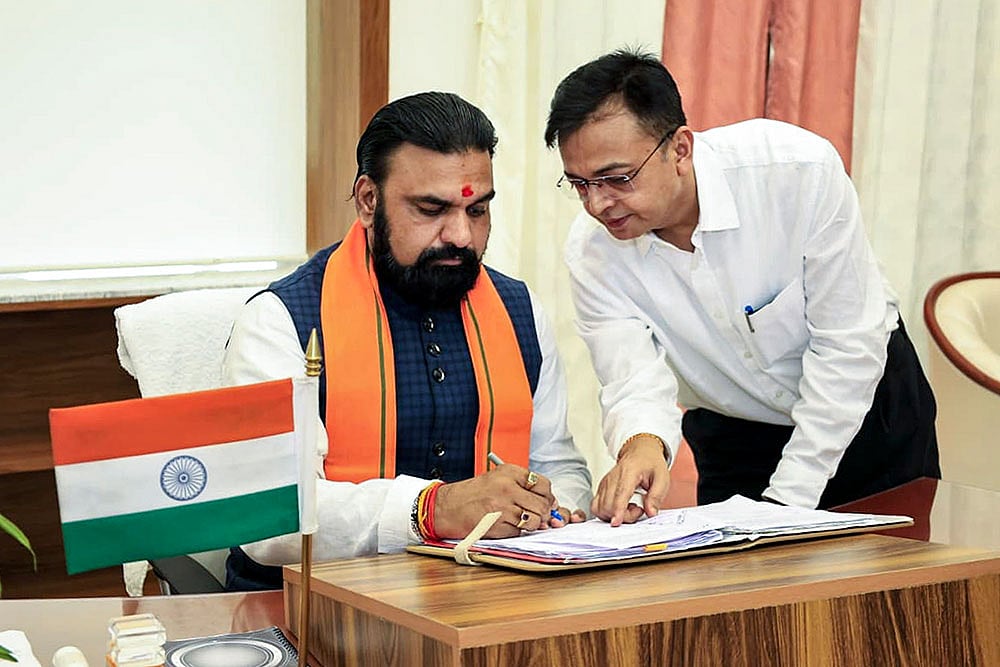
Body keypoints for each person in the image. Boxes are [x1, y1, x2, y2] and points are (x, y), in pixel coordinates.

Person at [544, 49, 939, 525]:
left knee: (894, 589)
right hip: (735, 435)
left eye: (616, 178)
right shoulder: (593, 252)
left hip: (867, 413)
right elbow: (632, 378)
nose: (598, 204)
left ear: (681, 149)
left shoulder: (796, 173)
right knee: (738, 590)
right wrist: (642, 444)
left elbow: (848, 345)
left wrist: (785, 503)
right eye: (580, 184)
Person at [222, 92, 592, 589]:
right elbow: (268, 522)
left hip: (488, 603)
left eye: (477, 210)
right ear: (368, 201)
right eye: (431, 209)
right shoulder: (280, 323)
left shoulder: (521, 311)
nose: (461, 235)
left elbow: (558, 465)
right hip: (313, 613)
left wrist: (551, 509)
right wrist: (432, 510)